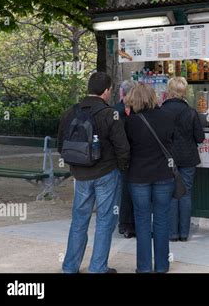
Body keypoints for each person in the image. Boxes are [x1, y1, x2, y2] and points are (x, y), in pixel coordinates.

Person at [57, 72, 130, 273]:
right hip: (107, 173)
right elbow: (122, 147)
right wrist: (121, 168)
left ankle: (70, 266)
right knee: (105, 220)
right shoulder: (110, 114)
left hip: (80, 175)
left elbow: (60, 145)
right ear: (106, 91)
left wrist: (77, 165)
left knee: (79, 220)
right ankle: (98, 267)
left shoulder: (70, 112)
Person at [124, 83, 176, 273]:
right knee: (162, 220)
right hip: (164, 174)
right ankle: (162, 266)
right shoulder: (167, 117)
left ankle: (144, 267)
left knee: (142, 222)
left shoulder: (130, 122)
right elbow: (173, 142)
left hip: (138, 176)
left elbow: (125, 149)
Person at [161, 77, 205, 242]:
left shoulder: (161, 111)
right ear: (184, 91)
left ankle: (172, 233)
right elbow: (200, 138)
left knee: (172, 193)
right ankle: (184, 233)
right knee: (185, 193)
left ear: (169, 91)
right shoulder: (191, 112)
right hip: (188, 158)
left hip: (167, 159)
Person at [114, 79, 136, 238]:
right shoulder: (139, 111)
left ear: (121, 93)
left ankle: (124, 224)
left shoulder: (114, 111)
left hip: (120, 158)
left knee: (124, 192)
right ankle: (130, 224)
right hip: (135, 157)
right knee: (133, 191)